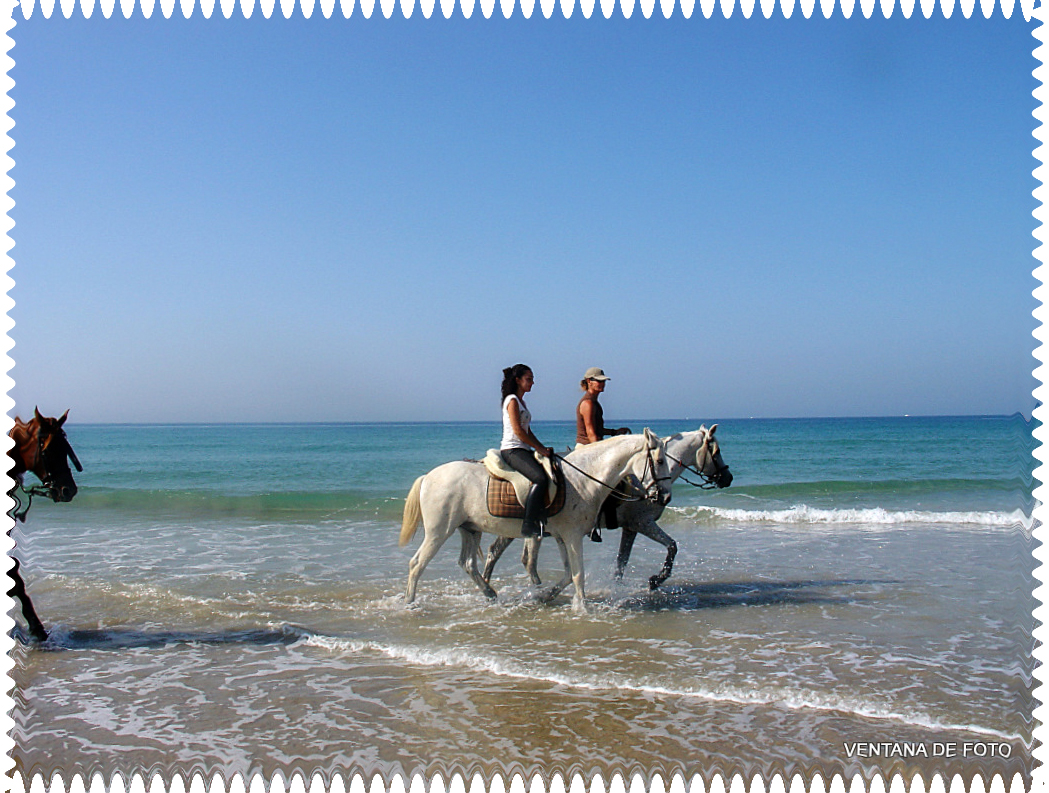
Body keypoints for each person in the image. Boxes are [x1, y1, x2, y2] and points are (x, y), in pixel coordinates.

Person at [575, 367, 630, 542]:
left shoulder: (594, 402)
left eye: (603, 380)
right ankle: (591, 523)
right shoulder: (588, 403)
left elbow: (596, 429)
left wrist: (614, 432)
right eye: (599, 380)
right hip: (587, 450)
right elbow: (591, 434)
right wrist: (605, 454)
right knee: (605, 483)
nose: (602, 383)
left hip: (593, 447)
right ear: (589, 382)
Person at [500, 364, 553, 539]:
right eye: (529, 379)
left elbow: (528, 431)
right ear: (518, 380)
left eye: (532, 379)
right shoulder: (512, 401)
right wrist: (538, 448)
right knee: (539, 478)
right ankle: (527, 525)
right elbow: (518, 431)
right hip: (512, 450)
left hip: (523, 449)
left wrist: (542, 448)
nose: (532, 382)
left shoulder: (522, 402)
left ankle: (543, 517)